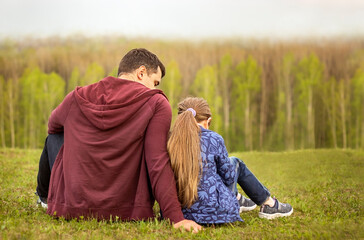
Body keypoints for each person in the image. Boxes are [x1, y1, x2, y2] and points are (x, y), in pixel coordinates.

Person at [35, 48, 201, 233]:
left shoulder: (77, 96)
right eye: (155, 82)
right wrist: (176, 218)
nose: (155, 89)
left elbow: (53, 127)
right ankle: (43, 197)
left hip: (73, 207)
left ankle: (43, 198)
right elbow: (157, 162)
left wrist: (82, 135)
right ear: (141, 73)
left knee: (54, 137)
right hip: (126, 208)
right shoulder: (156, 103)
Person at [167, 97, 293, 224]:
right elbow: (229, 177)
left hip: (179, 212)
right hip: (215, 211)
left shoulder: (170, 140)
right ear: (208, 121)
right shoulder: (214, 139)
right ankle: (270, 204)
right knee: (235, 162)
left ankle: (239, 198)